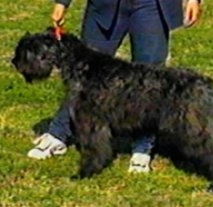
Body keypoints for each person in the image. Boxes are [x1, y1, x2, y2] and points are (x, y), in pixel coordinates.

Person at [27, 0, 201, 172]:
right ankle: (59, 133)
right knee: (81, 76)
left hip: (152, 6)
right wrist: (62, 3)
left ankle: (142, 147)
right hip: (105, 6)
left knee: (150, 84)